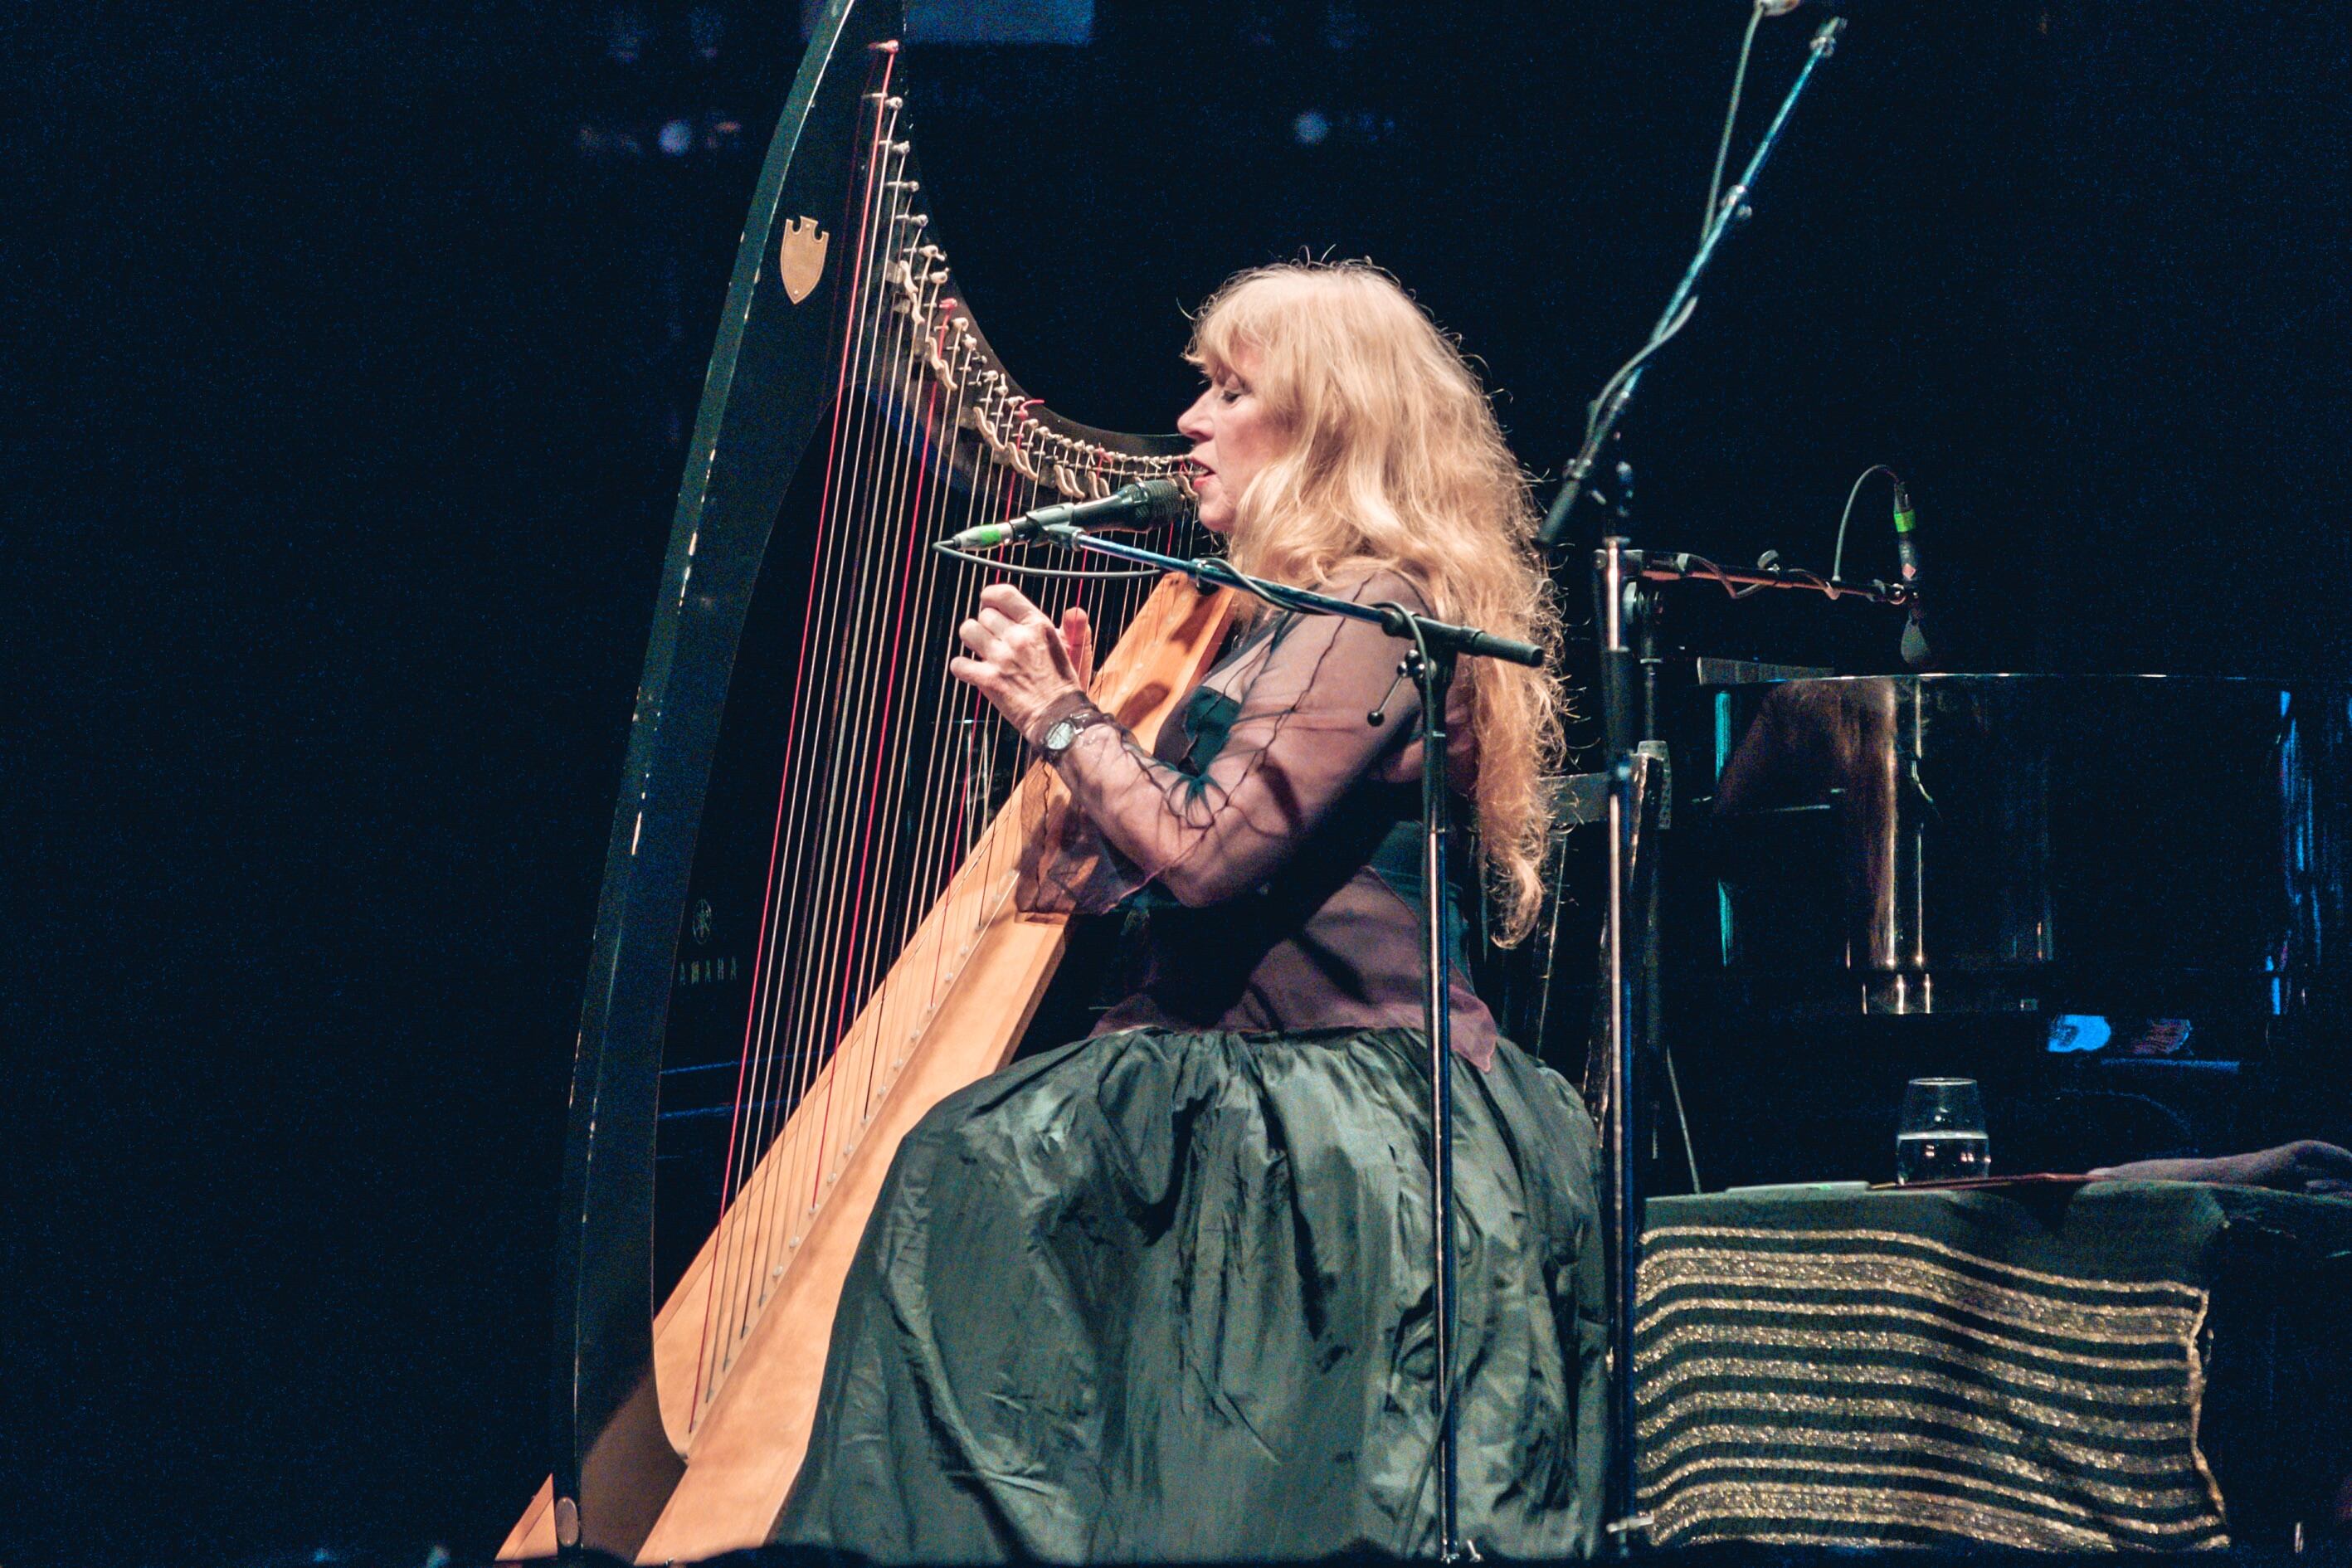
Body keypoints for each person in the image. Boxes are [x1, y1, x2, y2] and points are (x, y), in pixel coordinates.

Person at [772, 261, 1605, 1561]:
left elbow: (1209, 856)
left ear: (1326, 423)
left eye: (1230, 391)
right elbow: (1140, 874)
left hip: (1351, 1102)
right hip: (1237, 1073)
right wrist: (1077, 757)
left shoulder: (1375, 613)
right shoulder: (1267, 628)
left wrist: (1064, 714)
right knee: (977, 1160)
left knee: (975, 1160)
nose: (1194, 424)